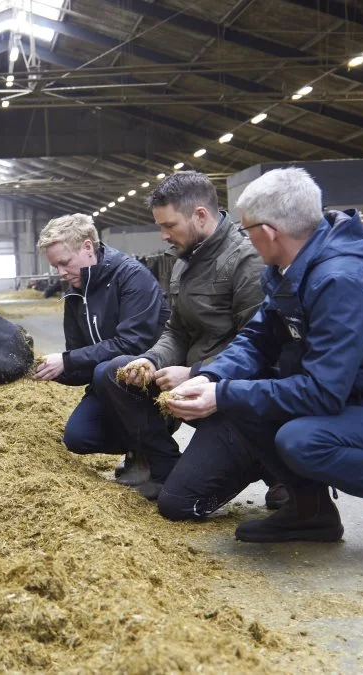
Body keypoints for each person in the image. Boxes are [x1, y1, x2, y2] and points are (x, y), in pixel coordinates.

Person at [162, 167, 363, 566]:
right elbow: (257, 338)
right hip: (359, 404)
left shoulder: (338, 280)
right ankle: (310, 512)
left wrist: (223, 394)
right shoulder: (289, 272)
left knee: (302, 440)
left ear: (268, 233)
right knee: (244, 403)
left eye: (247, 231)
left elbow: (322, 391)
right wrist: (213, 377)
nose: (245, 239)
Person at [104, 172, 271, 502]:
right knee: (115, 374)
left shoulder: (246, 261)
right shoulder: (185, 259)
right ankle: (163, 463)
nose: (164, 235)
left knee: (178, 503)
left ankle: (270, 466)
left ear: (200, 215)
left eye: (169, 225)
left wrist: (196, 373)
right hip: (193, 380)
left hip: (229, 392)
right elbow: (177, 330)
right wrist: (151, 360)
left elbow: (258, 347)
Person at [32, 214, 171, 477]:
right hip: (106, 384)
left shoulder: (131, 277)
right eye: (55, 267)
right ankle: (137, 444)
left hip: (148, 376)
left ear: (87, 247)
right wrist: (44, 369)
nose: (60, 273)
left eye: (64, 263)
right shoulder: (75, 291)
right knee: (78, 437)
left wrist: (68, 360)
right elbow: (78, 361)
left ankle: (161, 453)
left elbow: (132, 342)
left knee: (104, 370)